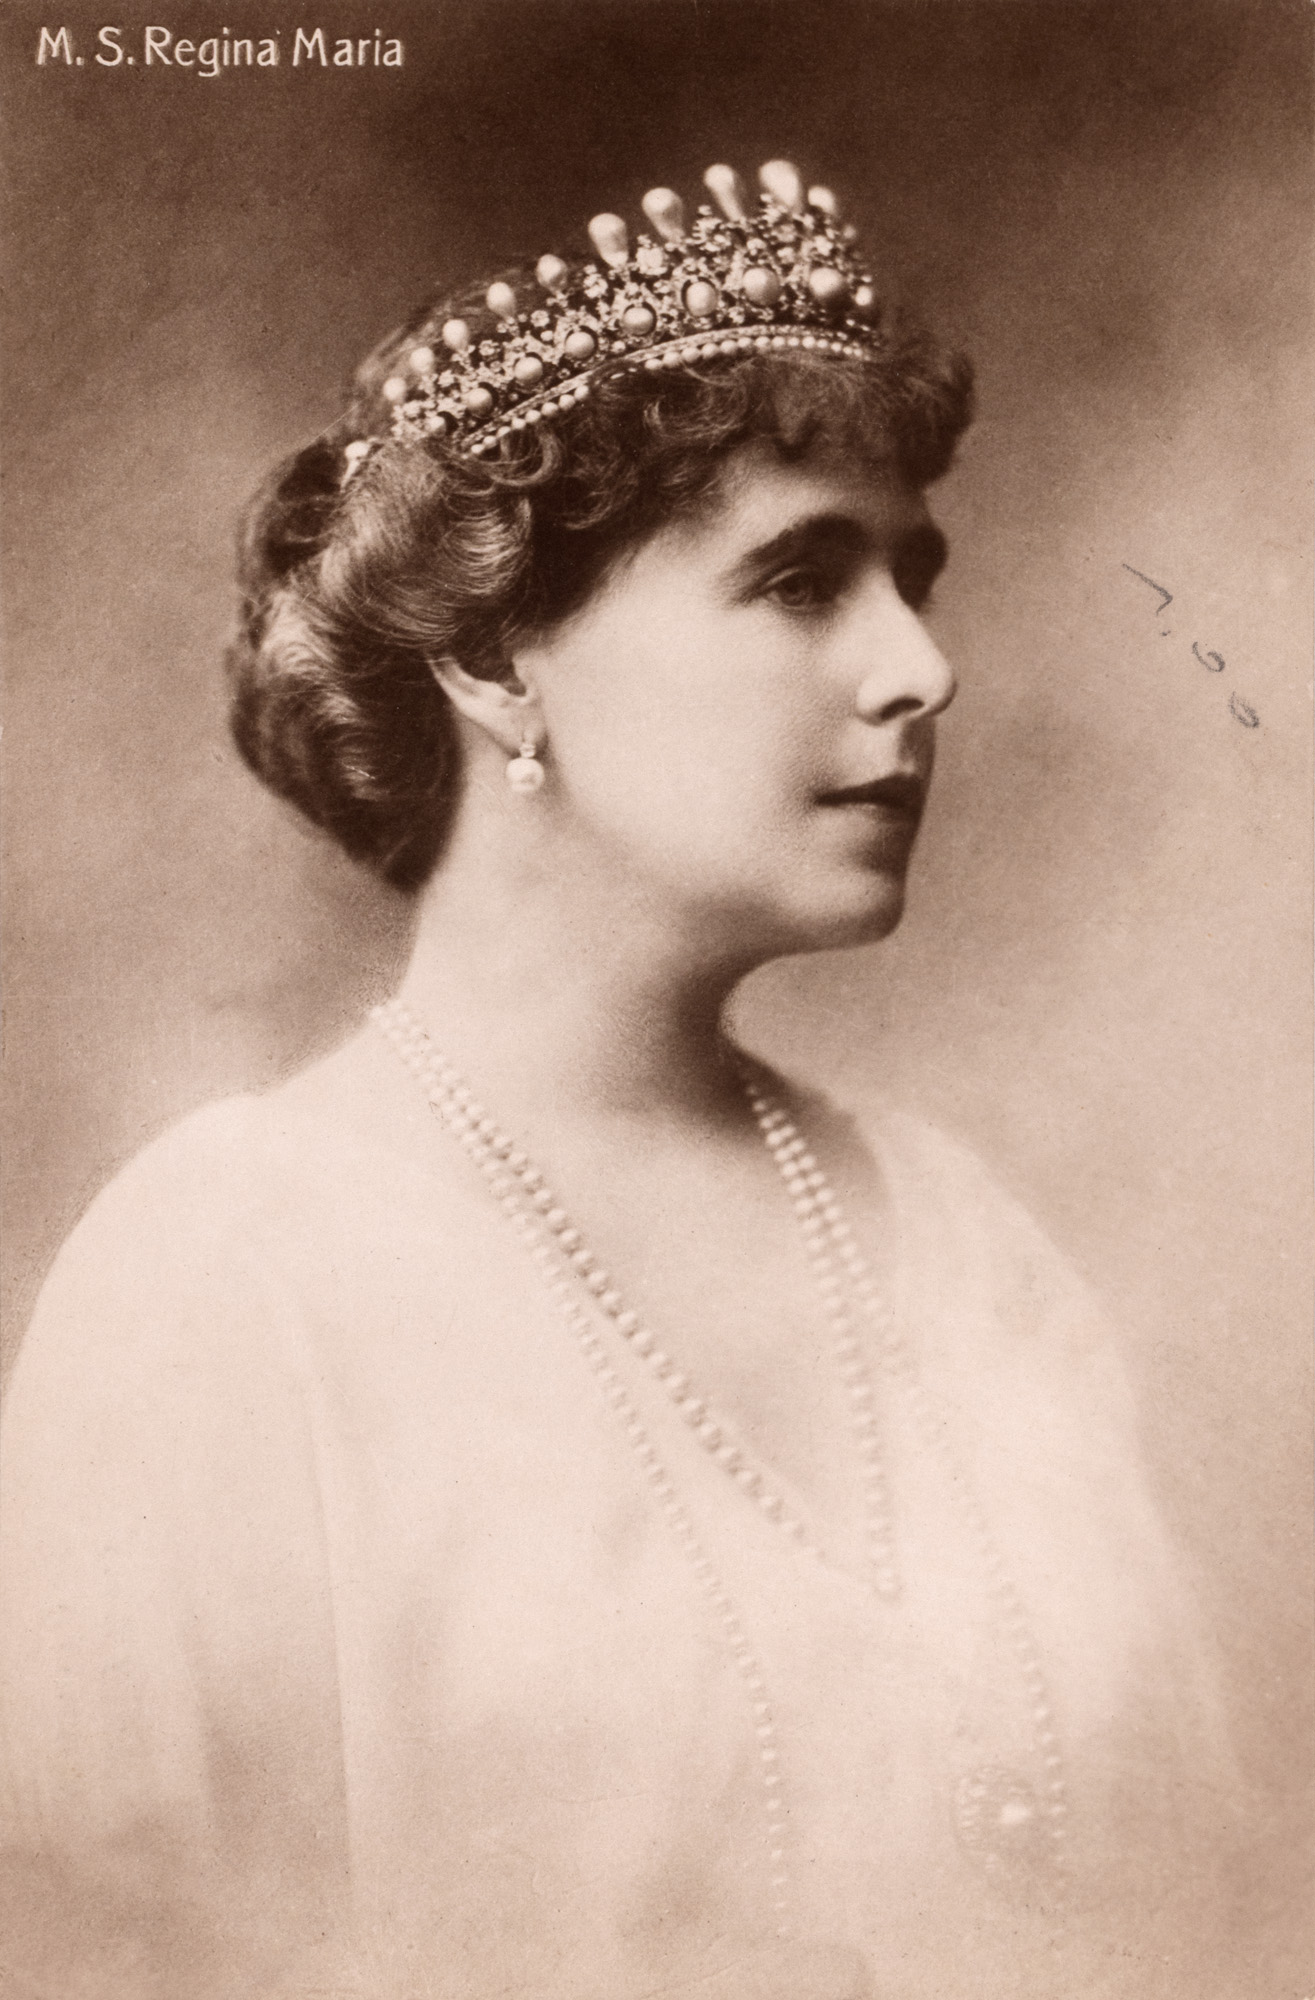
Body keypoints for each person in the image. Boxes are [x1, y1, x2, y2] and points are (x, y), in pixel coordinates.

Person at [1, 160, 1245, 1999]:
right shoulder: (227, 1280)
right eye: (800, 581)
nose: (923, 671)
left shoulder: (964, 1244)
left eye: (911, 580)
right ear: (495, 657)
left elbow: (1207, 1913)